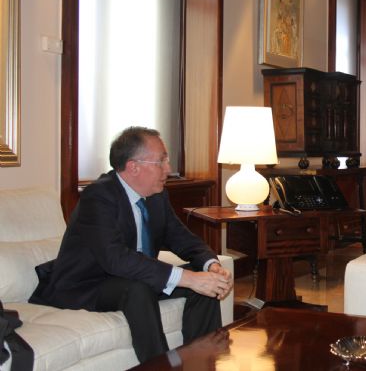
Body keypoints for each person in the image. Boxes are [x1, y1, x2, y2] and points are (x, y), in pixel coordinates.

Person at [29, 127, 233, 363]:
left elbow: (181, 237)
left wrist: (210, 267)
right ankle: (161, 367)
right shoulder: (98, 197)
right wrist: (186, 278)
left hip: (131, 277)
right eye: (161, 161)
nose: (168, 168)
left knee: (204, 285)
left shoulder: (156, 195)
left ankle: (202, 363)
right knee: (138, 288)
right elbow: (115, 258)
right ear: (133, 166)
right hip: (87, 284)